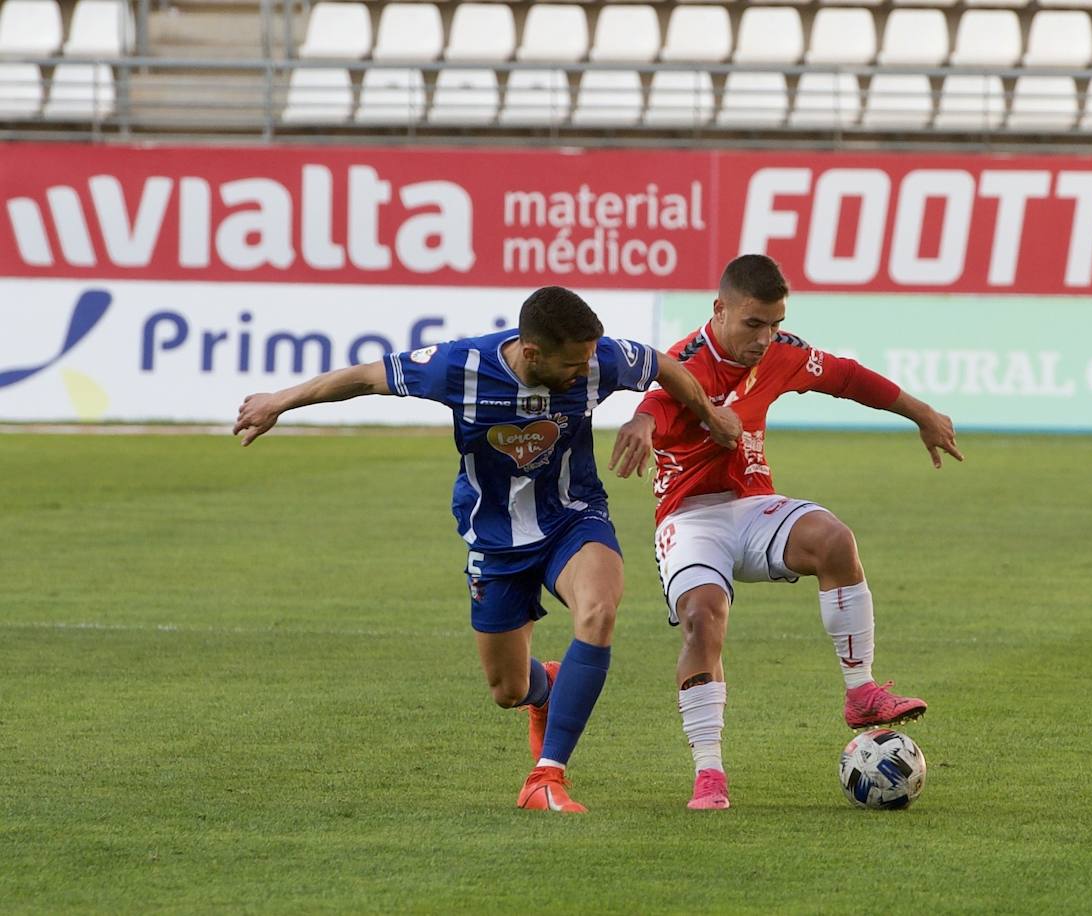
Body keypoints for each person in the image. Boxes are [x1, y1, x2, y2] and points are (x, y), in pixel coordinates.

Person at [235, 286, 740, 814]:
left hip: (573, 517)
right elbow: (364, 377)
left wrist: (706, 413)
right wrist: (280, 401)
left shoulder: (597, 359)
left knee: (599, 610)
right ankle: (545, 690)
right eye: (572, 363)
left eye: (589, 358)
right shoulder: (461, 366)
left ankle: (546, 777)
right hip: (495, 539)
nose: (584, 371)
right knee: (507, 688)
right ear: (532, 352)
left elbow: (662, 364)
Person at [610, 254, 963, 811]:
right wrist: (639, 423)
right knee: (704, 619)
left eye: (774, 323)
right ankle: (709, 773)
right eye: (754, 324)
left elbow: (846, 377)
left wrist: (920, 412)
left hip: (753, 508)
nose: (765, 337)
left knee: (834, 539)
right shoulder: (688, 363)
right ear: (719, 309)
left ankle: (862, 694)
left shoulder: (782, 352)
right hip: (690, 519)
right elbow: (654, 406)